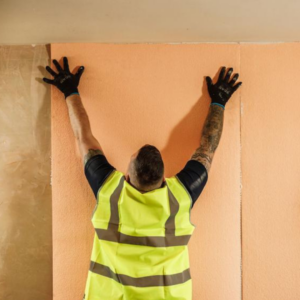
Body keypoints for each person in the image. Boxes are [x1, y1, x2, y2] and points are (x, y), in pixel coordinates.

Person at [43, 57, 242, 300]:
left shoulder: (109, 190)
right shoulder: (182, 195)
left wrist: (70, 89)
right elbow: (207, 149)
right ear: (164, 177)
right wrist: (219, 101)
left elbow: (84, 139)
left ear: (127, 175)